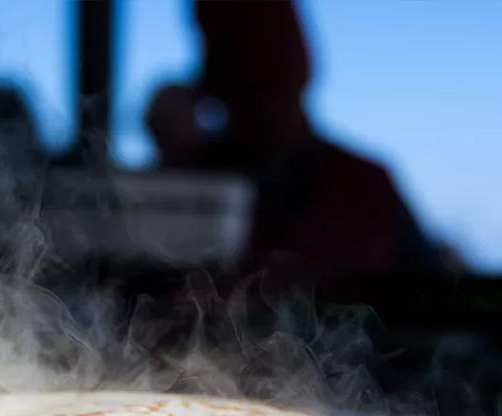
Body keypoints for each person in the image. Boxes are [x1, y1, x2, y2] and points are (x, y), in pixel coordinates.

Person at [146, 0, 442, 295]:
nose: (258, 74)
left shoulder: (366, 185)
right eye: (237, 50)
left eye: (271, 55)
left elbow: (433, 298)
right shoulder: (196, 184)